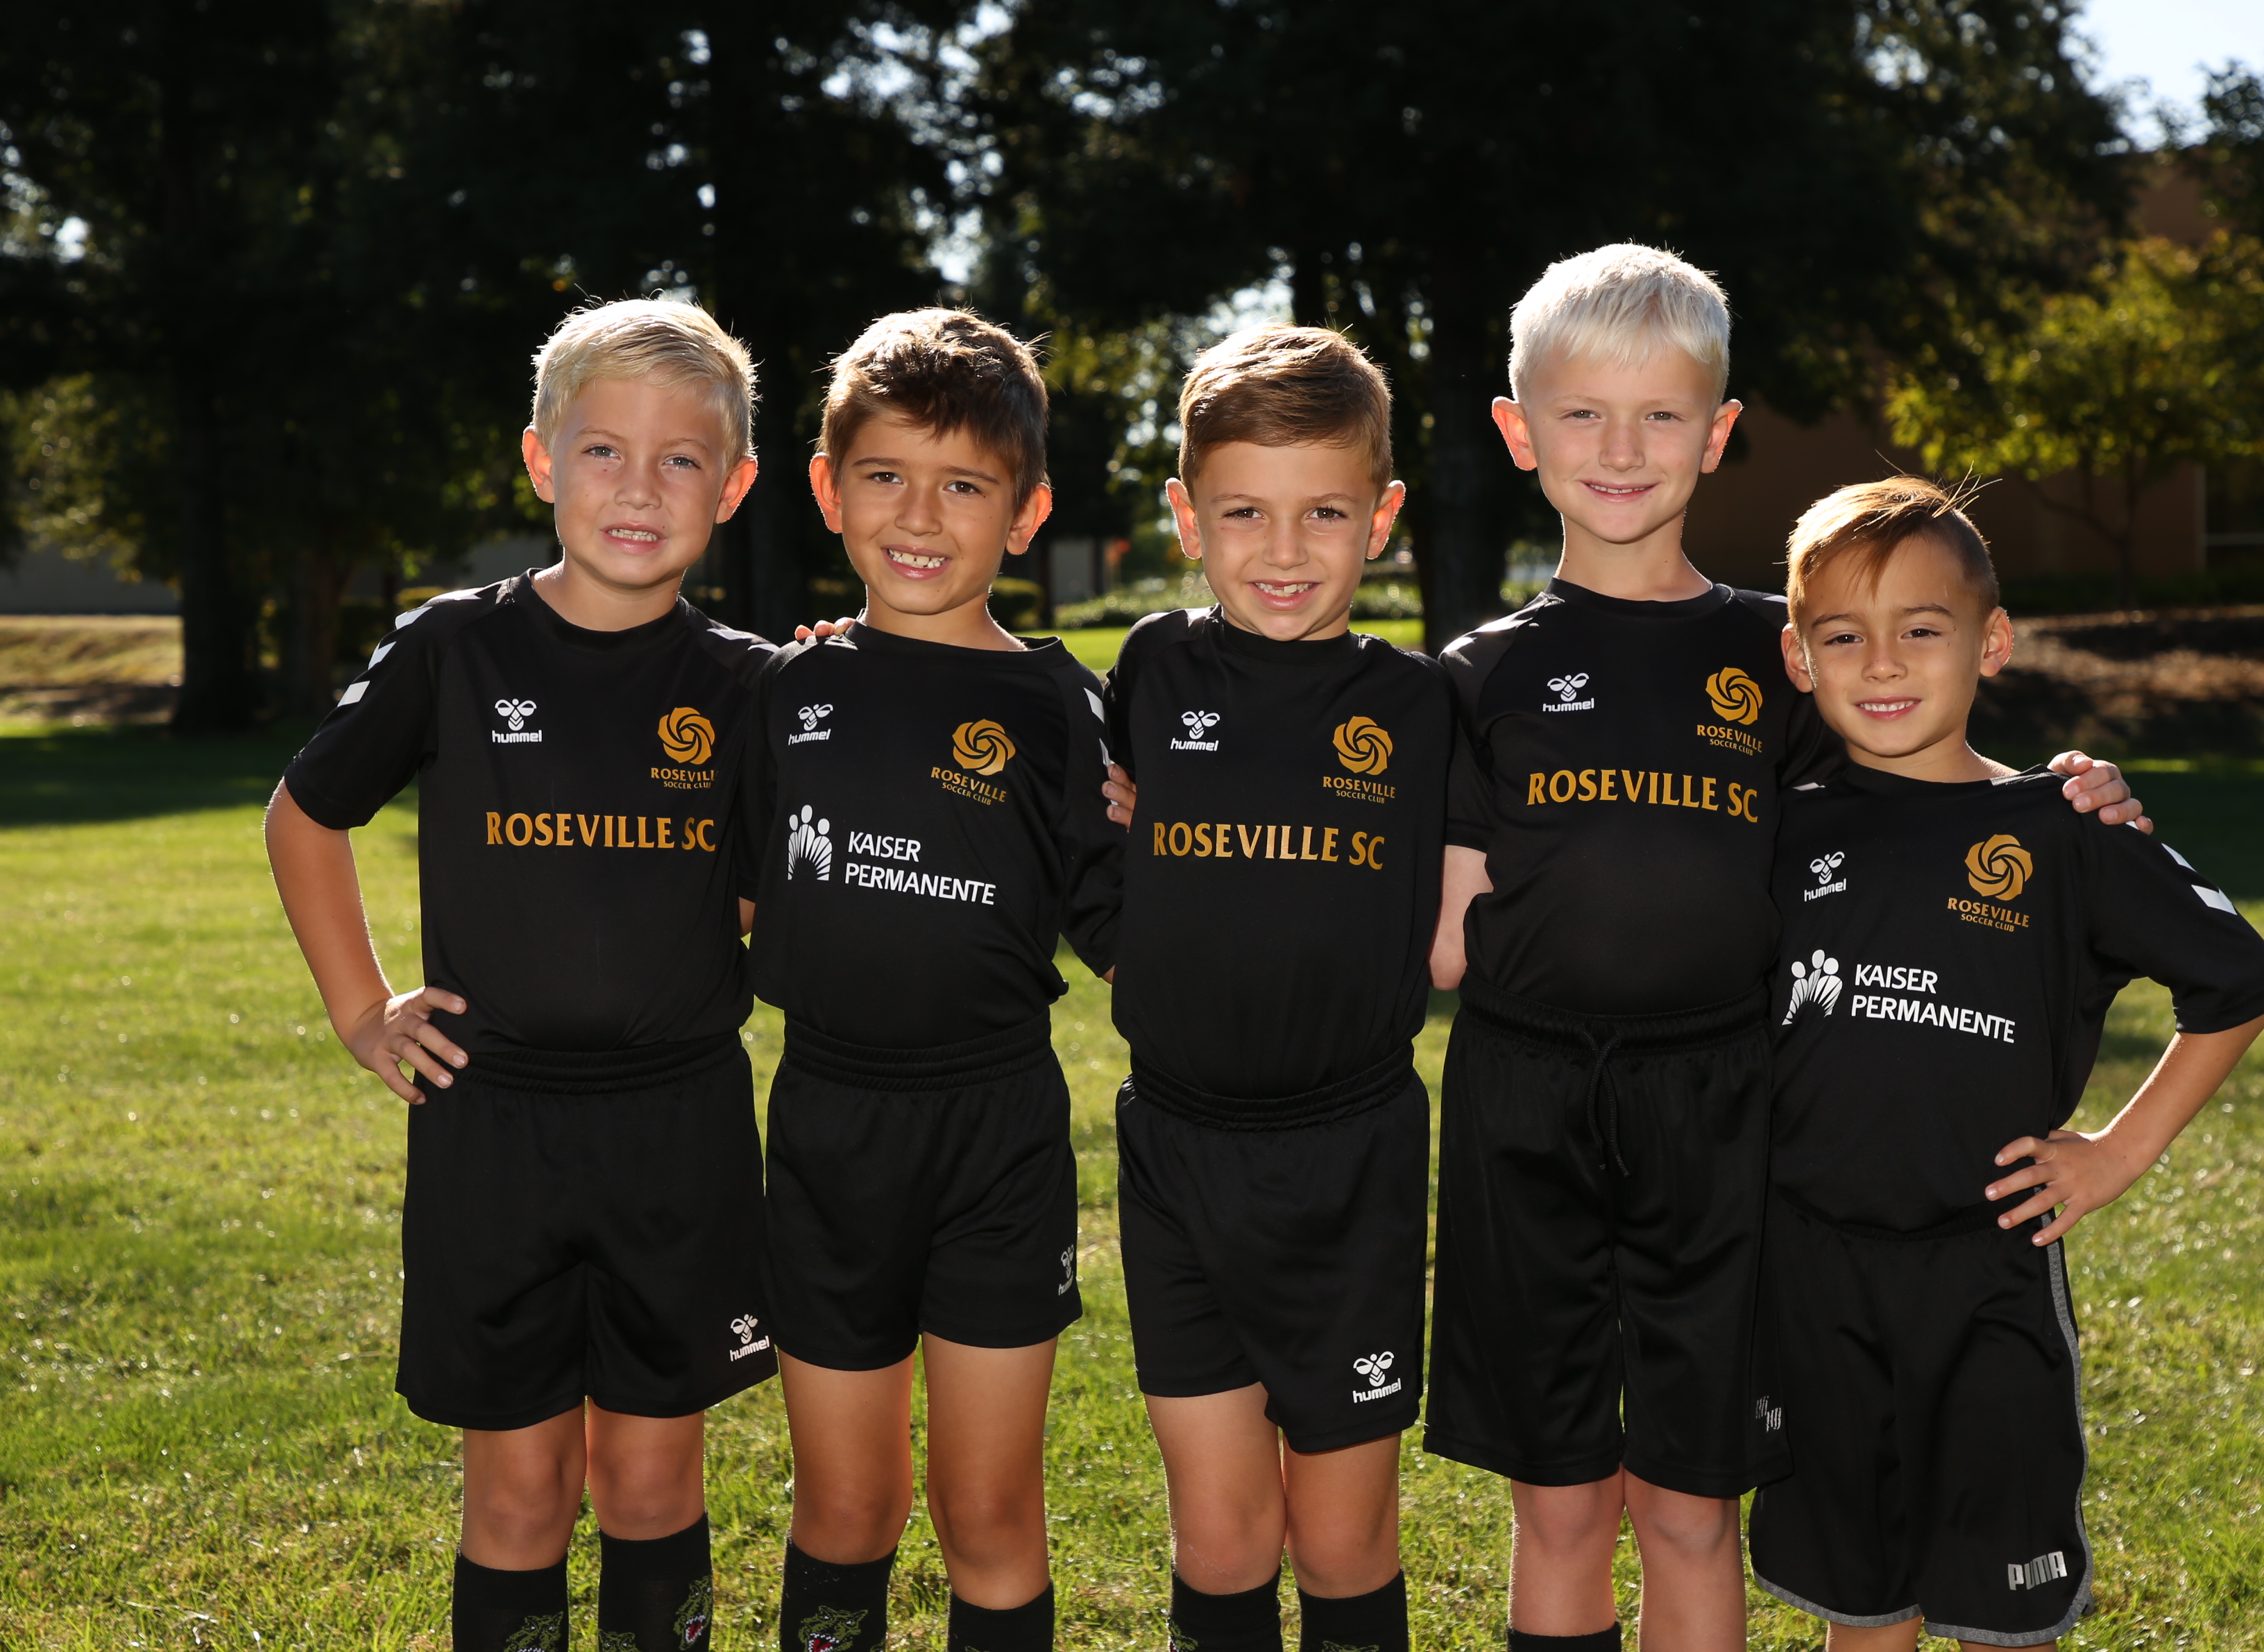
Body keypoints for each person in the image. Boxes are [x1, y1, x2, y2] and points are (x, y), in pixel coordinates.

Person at [1426, 245, 2147, 1652]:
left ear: (1718, 432)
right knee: (1561, 1508)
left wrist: (2071, 793)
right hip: (1523, 1109)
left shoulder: (1785, 655)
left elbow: (1924, 778)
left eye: (1660, 414)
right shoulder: (1477, 672)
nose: (1620, 449)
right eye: (1583, 414)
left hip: (1725, 1113)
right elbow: (1437, 926)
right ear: (1519, 432)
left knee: (1691, 1506)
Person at [266, 298, 769, 1652]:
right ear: (542, 461)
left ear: (732, 487)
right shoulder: (454, 646)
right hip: (492, 1128)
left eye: (681, 459)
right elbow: (306, 814)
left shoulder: (752, 686)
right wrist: (361, 1007)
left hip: (680, 1128)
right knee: (518, 1490)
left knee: (652, 1481)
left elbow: (771, 883)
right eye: (604, 450)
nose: (639, 487)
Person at [1752, 476, 2264, 1649]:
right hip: (1811, 1271)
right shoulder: (1778, 828)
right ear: (1799, 658)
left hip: (1986, 1269)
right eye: (1842, 637)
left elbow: (2236, 984)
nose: (1882, 663)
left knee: (2003, 1608)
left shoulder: (2063, 828)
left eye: (1922, 630)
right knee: (1862, 1599)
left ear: (1990, 643)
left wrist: (2117, 1152)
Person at [748, 308, 1121, 1652]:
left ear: (1026, 513)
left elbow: (1127, 923)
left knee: (990, 1513)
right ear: (827, 487)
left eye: (964, 485)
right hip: (829, 1127)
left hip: (995, 1136)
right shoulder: (777, 692)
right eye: (886, 476)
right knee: (847, 1506)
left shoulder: (1065, 707)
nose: (919, 515)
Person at [1100, 325, 1445, 1652]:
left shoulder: (1421, 708)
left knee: (1345, 1541)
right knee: (1223, 1534)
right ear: (1188, 516)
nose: (1285, 549)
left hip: (1350, 1158)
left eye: (1325, 513)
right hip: (1177, 1152)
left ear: (1383, 518)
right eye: (1244, 511)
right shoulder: (1151, 670)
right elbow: (1065, 815)